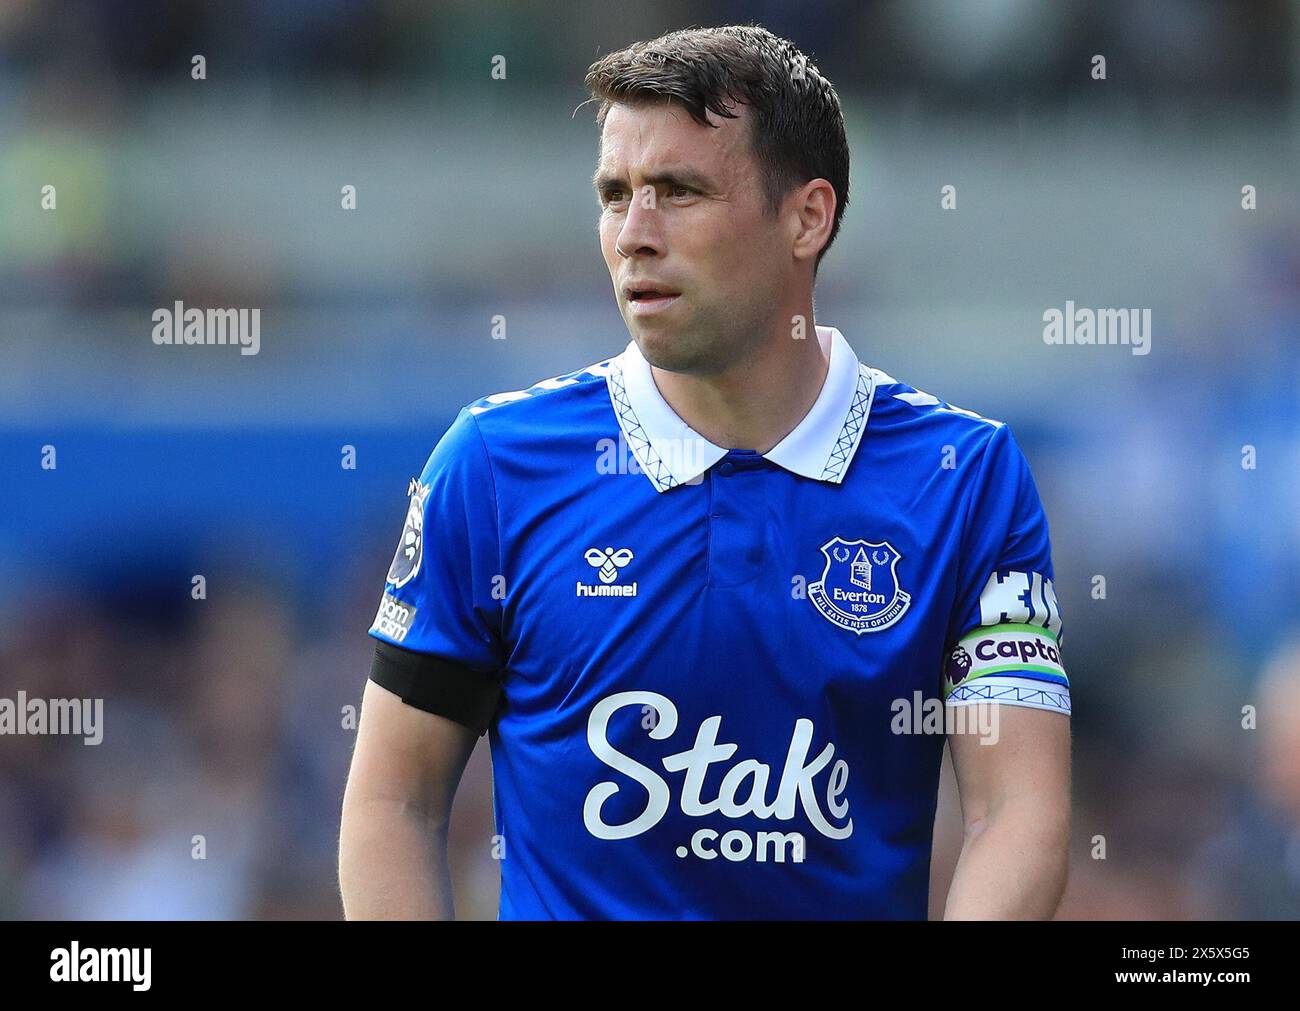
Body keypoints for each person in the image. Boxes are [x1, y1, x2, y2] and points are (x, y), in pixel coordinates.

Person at [339, 24, 1071, 920]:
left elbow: (1017, 811)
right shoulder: (494, 466)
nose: (634, 234)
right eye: (616, 195)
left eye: (678, 192)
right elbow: (392, 803)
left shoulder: (965, 478)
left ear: (808, 217)